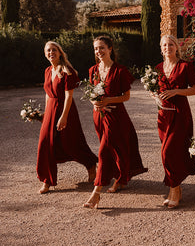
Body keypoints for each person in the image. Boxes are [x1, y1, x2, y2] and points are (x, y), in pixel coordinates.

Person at [83, 35, 147, 209]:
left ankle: (96, 192)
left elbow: (126, 96)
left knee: (104, 151)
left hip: (116, 118)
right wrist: (95, 103)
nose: (99, 51)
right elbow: (90, 94)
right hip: (99, 117)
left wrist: (108, 101)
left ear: (110, 48)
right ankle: (121, 179)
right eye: (96, 48)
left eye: (102, 47)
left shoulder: (120, 71)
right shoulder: (93, 71)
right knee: (115, 150)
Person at [36, 41, 97, 194]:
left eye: (54, 50)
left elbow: (69, 96)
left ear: (60, 52)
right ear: (45, 54)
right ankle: (47, 180)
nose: (51, 53)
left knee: (71, 142)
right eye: (48, 50)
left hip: (66, 110)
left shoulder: (67, 71)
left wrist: (63, 117)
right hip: (51, 110)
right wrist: (45, 113)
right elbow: (48, 93)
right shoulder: (47, 71)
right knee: (45, 143)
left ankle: (90, 165)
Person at [156, 35, 195, 209]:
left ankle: (175, 190)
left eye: (171, 44)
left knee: (169, 152)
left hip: (180, 114)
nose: (167, 47)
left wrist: (176, 91)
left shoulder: (186, 66)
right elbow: (154, 89)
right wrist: (154, 96)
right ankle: (174, 188)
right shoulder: (158, 68)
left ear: (176, 47)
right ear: (161, 48)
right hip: (163, 115)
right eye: (164, 45)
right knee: (168, 152)